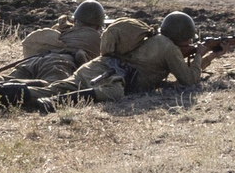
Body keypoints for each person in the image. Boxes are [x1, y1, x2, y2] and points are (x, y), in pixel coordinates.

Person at [56, 11, 202, 104]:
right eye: (189, 39)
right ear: (181, 36)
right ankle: (56, 101)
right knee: (114, 93)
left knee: (56, 86)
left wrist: (213, 54)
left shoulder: (152, 37)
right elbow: (189, 80)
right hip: (113, 78)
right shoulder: (169, 48)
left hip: (98, 66)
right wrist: (200, 54)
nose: (190, 42)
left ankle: (34, 93)